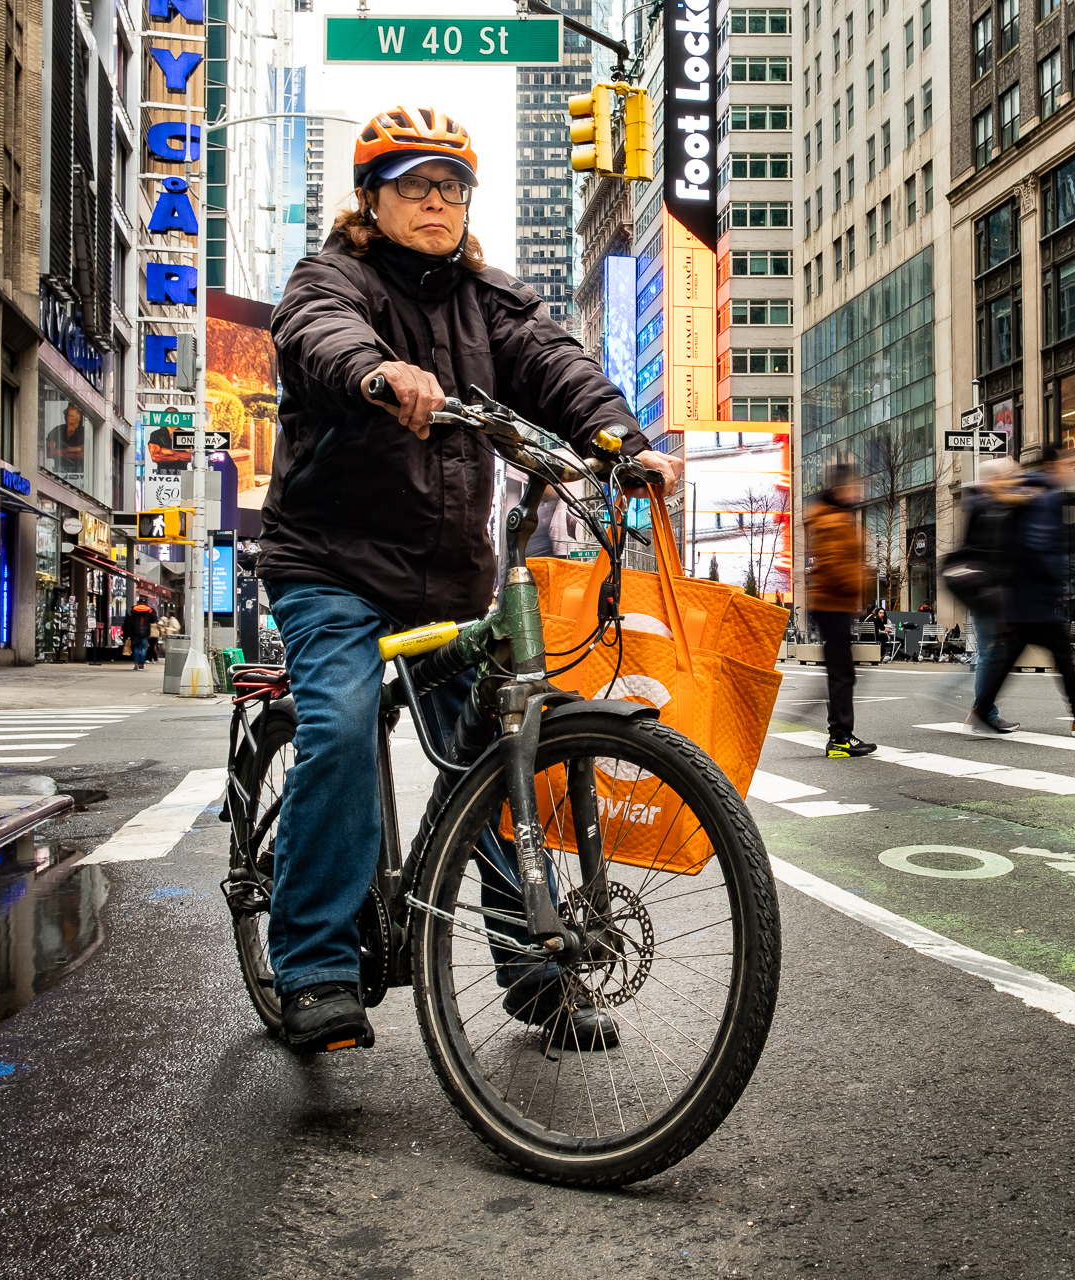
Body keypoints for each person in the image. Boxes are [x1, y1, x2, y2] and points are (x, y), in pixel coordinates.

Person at [258, 105, 681, 1055]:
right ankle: (315, 967)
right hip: (331, 565)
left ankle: (535, 974)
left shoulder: (489, 300)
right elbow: (319, 333)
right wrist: (376, 373)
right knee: (336, 724)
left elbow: (555, 365)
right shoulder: (336, 276)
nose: (437, 202)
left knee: (503, 749)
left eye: (451, 187)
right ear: (373, 198)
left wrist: (622, 443)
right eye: (416, 186)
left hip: (449, 579)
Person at [969, 446, 1075, 738]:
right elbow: (1037, 545)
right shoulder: (1044, 497)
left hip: (1022, 593)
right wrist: (1055, 584)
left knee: (1011, 656)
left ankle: (982, 710)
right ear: (1056, 465)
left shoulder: (1032, 492)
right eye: (1072, 464)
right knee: (1062, 657)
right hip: (1033, 595)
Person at [948, 457, 1033, 734]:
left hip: (984, 588)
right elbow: (997, 555)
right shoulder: (990, 506)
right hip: (988, 590)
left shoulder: (984, 503)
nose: (1016, 477)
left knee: (992, 652)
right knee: (992, 653)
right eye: (1010, 473)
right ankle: (983, 711)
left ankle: (978, 708)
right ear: (996, 478)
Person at [803, 462, 876, 758]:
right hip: (833, 604)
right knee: (842, 672)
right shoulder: (834, 521)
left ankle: (840, 734)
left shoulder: (835, 517)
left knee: (841, 670)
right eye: (854, 486)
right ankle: (840, 738)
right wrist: (860, 579)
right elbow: (834, 567)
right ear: (842, 488)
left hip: (833, 604)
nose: (857, 490)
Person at [123, 602, 157, 671]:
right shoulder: (149, 610)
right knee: (143, 648)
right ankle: (141, 664)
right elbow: (153, 621)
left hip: (135, 632)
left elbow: (131, 622)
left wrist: (130, 632)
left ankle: (136, 662)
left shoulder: (134, 610)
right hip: (145, 632)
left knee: (136, 647)